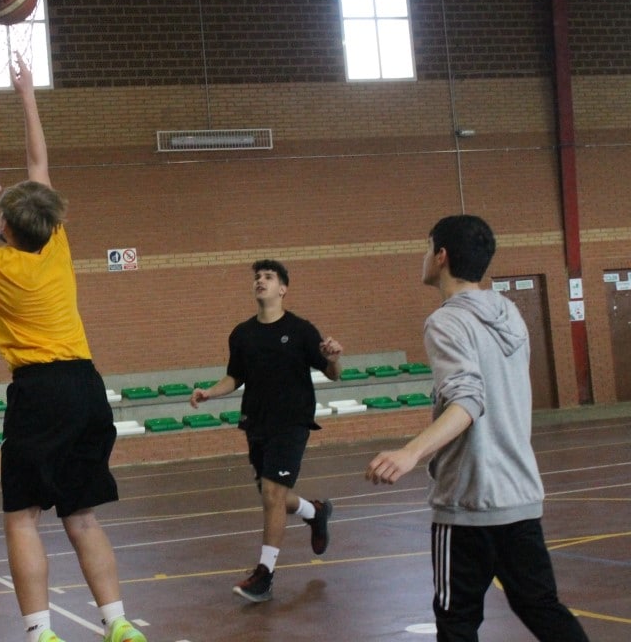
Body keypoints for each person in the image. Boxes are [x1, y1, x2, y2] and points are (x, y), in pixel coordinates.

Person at [0, 56, 147, 642]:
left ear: (6, 226)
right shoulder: (54, 244)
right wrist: (27, 91)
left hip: (40, 390)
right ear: (50, 224)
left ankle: (40, 633)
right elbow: (39, 162)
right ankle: (119, 623)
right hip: (86, 385)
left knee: (22, 517)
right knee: (81, 515)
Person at [365, 215, 590, 642]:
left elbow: (468, 400)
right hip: (519, 495)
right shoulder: (509, 313)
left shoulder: (446, 322)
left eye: (427, 246)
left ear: (441, 255)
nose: (424, 255)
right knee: (541, 607)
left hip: (468, 501)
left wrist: (410, 452)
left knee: (457, 621)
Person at [190, 259, 342, 603]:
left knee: (272, 494)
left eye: (269, 277)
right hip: (256, 423)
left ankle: (265, 574)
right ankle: (315, 512)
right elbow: (235, 376)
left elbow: (333, 373)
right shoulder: (242, 334)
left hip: (292, 422)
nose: (261, 281)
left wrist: (333, 358)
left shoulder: (302, 330)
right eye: (257, 277)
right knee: (271, 494)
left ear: (282, 288)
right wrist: (210, 392)